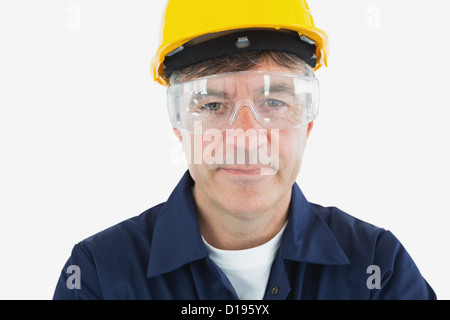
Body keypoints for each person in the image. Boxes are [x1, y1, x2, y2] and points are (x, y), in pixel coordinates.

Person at [53, 0, 436, 300]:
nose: (246, 137)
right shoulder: (98, 277)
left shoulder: (378, 268)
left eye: (274, 102)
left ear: (308, 123)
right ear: (178, 125)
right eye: (213, 105)